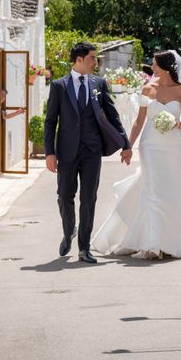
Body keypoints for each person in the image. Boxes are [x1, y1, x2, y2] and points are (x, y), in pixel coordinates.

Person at [92, 50, 181, 259]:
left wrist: (174, 124)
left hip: (174, 147)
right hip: (150, 145)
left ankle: (172, 239)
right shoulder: (147, 89)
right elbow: (139, 121)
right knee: (152, 190)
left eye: (154, 64)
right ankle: (152, 243)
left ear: (166, 67)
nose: (151, 68)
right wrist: (128, 146)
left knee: (172, 191)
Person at [44, 42, 132, 264]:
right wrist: (49, 152)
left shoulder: (99, 84)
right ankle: (68, 232)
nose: (96, 62)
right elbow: (50, 121)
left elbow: (112, 115)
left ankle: (84, 247)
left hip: (92, 150)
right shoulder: (59, 86)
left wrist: (125, 143)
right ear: (80, 59)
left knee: (89, 198)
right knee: (64, 195)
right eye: (93, 58)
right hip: (66, 151)